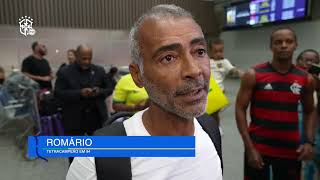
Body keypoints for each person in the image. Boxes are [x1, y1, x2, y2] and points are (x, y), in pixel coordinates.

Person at [67, 4, 222, 180]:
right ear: (138, 75)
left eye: (200, 51)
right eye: (168, 58)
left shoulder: (210, 131)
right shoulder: (94, 161)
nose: (194, 70)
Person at [235, 27, 315, 180]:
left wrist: (309, 142)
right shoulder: (254, 74)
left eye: (289, 41)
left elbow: (310, 110)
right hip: (258, 147)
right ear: (271, 46)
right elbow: (240, 108)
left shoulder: (306, 78)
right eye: (278, 42)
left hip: (291, 150)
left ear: (296, 45)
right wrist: (249, 147)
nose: (284, 45)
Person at [54, 44, 113, 164]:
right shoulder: (64, 72)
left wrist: (99, 91)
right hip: (74, 118)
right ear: (76, 56)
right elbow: (58, 93)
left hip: (96, 117)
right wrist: (79, 93)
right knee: (75, 156)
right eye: (84, 58)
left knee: (99, 153)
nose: (87, 61)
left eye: (89, 58)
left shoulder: (99, 70)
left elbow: (109, 88)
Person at [209, 38, 243, 135]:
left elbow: (233, 70)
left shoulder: (224, 62)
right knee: (206, 113)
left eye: (221, 51)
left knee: (215, 113)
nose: (218, 54)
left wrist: (244, 74)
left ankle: (217, 128)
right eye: (215, 51)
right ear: (210, 51)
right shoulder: (207, 61)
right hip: (207, 90)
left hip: (219, 91)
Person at [296, 49, 320, 180]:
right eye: (306, 60)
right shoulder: (292, 78)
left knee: (310, 167)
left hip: (313, 134)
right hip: (293, 133)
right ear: (298, 61)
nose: (309, 63)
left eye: (314, 61)